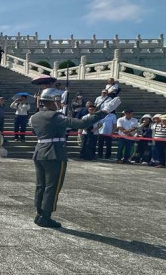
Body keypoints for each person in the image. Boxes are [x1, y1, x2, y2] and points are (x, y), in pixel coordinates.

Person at [30, 88, 115, 228]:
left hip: (39, 152)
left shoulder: (35, 116)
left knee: (41, 185)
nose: (60, 103)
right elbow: (81, 123)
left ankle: (39, 213)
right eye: (58, 100)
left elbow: (37, 131)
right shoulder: (55, 116)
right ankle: (45, 217)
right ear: (53, 101)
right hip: (54, 152)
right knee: (53, 186)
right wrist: (104, 112)